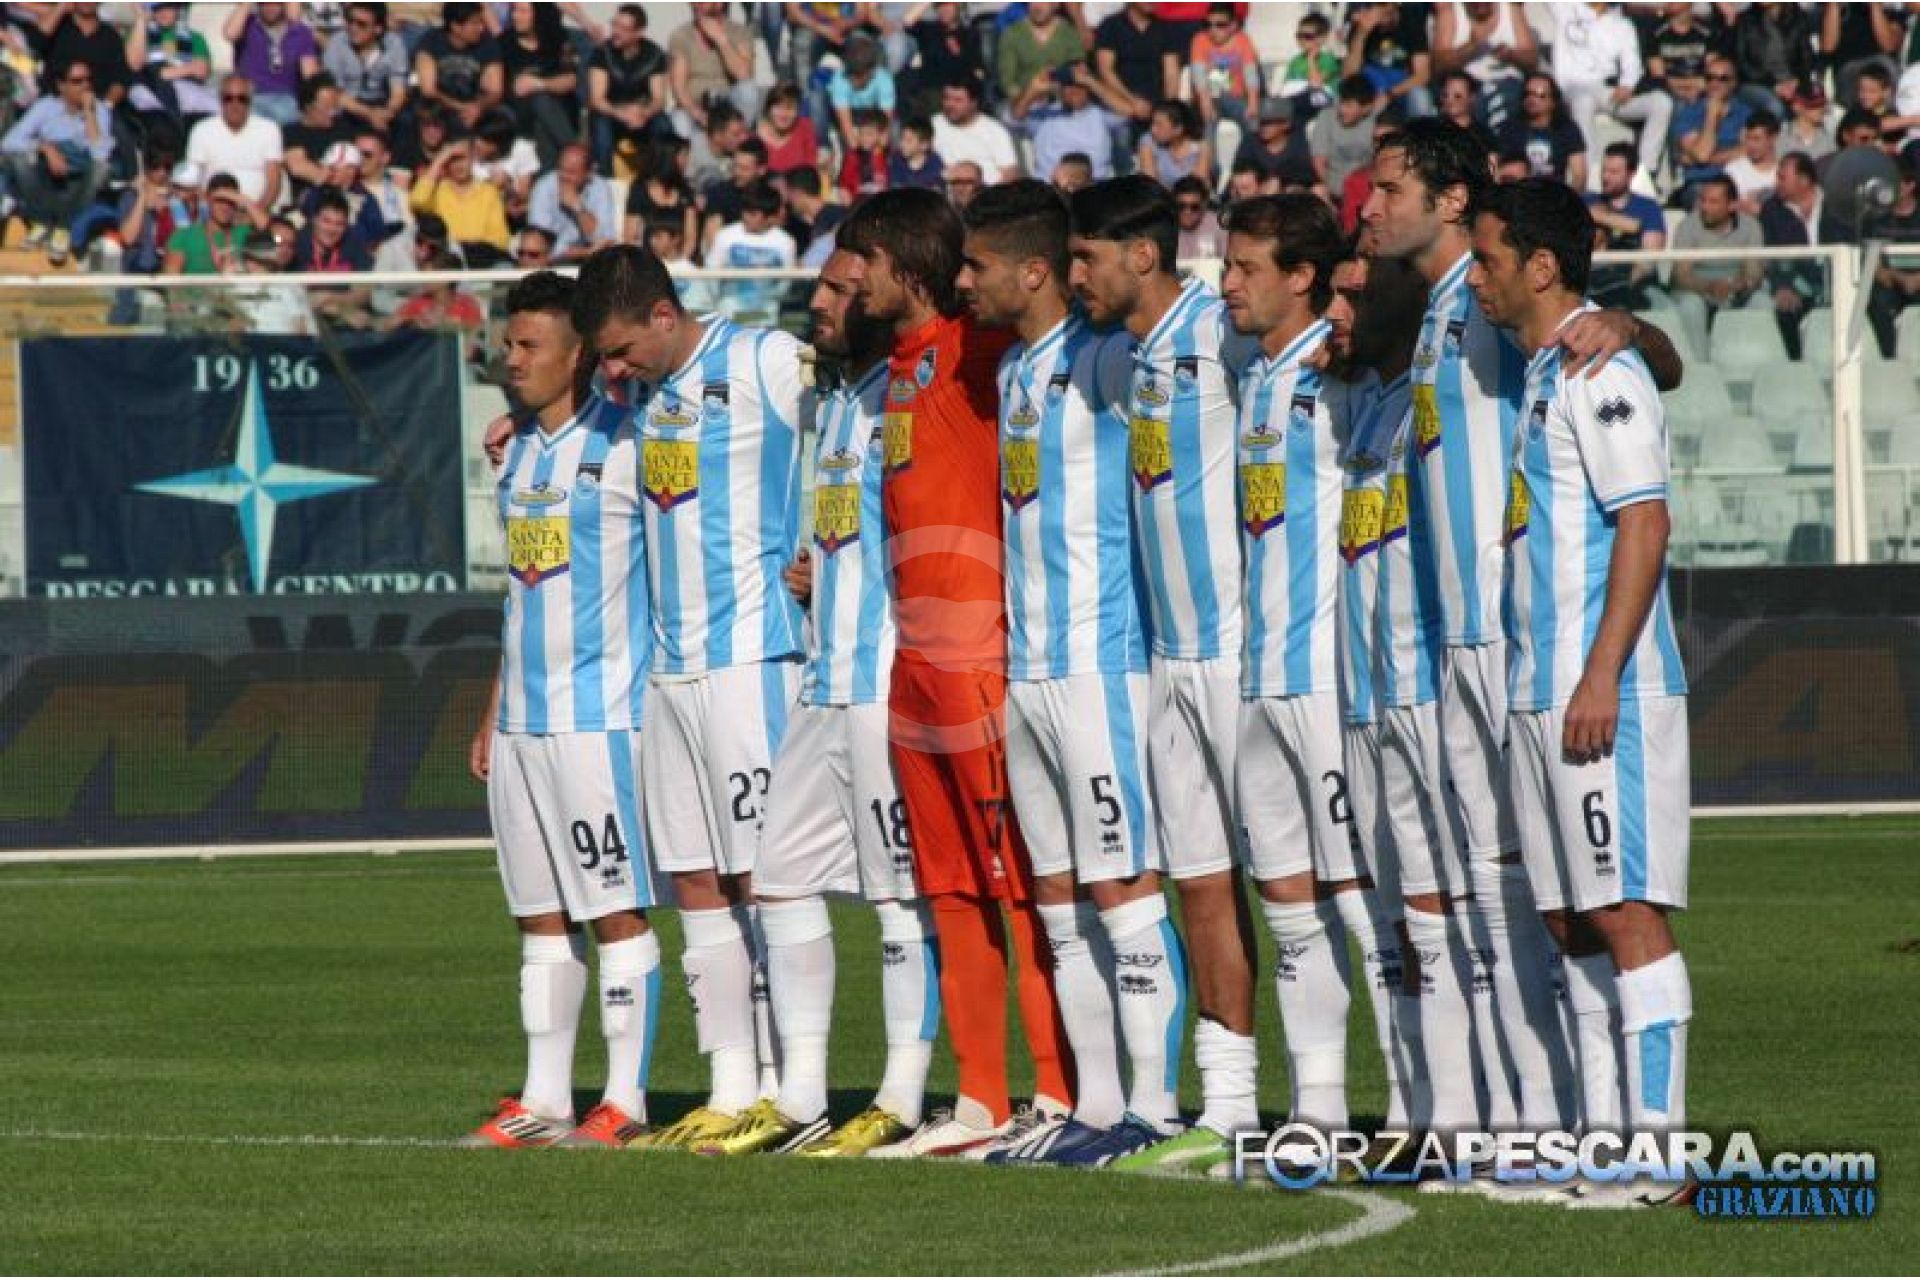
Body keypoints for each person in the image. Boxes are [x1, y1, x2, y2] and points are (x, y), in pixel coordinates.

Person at [1361, 119, 1683, 1140]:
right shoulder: (1438, 315)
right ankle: (1542, 1124)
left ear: (1454, 202)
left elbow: (1639, 366)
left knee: (1597, 902)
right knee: (1526, 897)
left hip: (1534, 648)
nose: (1369, 206)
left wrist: (1626, 324)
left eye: (1388, 188)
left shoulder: (1501, 304)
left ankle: (1627, 1133)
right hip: (1474, 650)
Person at [937, 178, 1184, 1167]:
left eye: (976, 266)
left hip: (1100, 665)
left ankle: (1157, 1109)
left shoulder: (1111, 355)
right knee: (1057, 896)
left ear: (1033, 271)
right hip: (1030, 670)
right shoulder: (1014, 370)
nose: (963, 283)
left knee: (1122, 885)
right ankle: (1097, 1105)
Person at [1465, 179, 1693, 1207]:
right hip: (1539, 690)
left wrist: (1600, 673)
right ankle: (1605, 1144)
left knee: (1626, 909)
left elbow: (1645, 522)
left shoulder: (1604, 370)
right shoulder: (1547, 372)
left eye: (1489, 258)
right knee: (1569, 917)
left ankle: (1662, 1155)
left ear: (1543, 266)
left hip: (1607, 689)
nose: (1478, 277)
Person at [836, 188, 1075, 1157]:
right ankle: (979, 1102)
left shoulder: (980, 348)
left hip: (982, 662)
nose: (851, 280)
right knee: (950, 891)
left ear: (907, 263)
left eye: (863, 261)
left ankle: (1057, 1094)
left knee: (1019, 887)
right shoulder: (894, 370)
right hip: (915, 669)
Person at [692, 246, 939, 1161]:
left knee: (898, 896)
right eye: (823, 285)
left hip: (883, 687)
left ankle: (900, 1097)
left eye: (841, 289)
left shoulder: (904, 399)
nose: (821, 301)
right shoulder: (834, 402)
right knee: (781, 877)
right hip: (820, 680)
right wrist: (820, 577)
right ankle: (799, 1097)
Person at [572, 245, 805, 1151]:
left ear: (665, 317)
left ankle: (790, 1087)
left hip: (752, 662)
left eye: (623, 349)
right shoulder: (638, 400)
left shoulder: (765, 360)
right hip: (669, 676)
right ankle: (731, 1083)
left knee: (764, 880)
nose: (614, 369)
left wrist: (829, 549)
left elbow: (854, 428)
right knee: (697, 882)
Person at [1064, 174, 1262, 1167]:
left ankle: (1399, 1107)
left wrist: (1623, 331)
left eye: (1086, 257)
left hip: (1244, 657)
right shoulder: (1118, 354)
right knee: (1202, 887)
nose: (1074, 275)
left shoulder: (1223, 333)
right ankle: (1228, 1110)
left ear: (1143, 255)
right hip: (1168, 664)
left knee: (1317, 896)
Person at [461, 270, 662, 1150]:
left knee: (615, 909)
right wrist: (492, 711)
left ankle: (625, 1100)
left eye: (529, 345)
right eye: (508, 344)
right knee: (538, 917)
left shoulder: (628, 445)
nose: (512, 360)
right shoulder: (516, 455)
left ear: (579, 354)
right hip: (522, 724)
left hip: (600, 721)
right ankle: (544, 1102)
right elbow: (521, 596)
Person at [1220, 192, 1405, 1144]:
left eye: (1245, 268)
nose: (1227, 284)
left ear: (1302, 278)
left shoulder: (1346, 381)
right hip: (1258, 676)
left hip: (1327, 677)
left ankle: (1418, 1107)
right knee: (1287, 902)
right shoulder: (1251, 373)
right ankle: (1319, 1110)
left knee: (1361, 902)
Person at [1325, 247, 1446, 1140]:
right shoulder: (1368, 404)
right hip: (1363, 698)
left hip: (1427, 691)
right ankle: (1415, 1110)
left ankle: (1485, 1118)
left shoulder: (1437, 399)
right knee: (1389, 915)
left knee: (1454, 913)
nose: (1337, 312)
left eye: (1353, 297)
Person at [1541, 2, 1670, 185]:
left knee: (1661, 102)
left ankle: (1645, 175)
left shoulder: (1621, 25)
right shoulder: (1566, 7)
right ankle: (1592, 177)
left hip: (1605, 89)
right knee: (1583, 102)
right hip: (1573, 88)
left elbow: (1632, 63)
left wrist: (1627, 85)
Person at [0, 57, 112, 263]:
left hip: (79, 179)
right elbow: (8, 143)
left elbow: (100, 155)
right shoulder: (46, 107)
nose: (85, 86)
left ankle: (63, 227)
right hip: (47, 177)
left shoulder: (99, 110)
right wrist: (44, 147)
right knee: (18, 160)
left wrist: (89, 113)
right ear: (61, 85)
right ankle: (42, 223)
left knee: (101, 168)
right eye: (77, 81)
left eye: (88, 80)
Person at [1759, 152, 1842, 360]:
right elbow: (1770, 254)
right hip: (1796, 282)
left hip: (1835, 280)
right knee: (1785, 309)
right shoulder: (1771, 210)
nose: (1777, 183)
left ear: (1804, 180)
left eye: (1782, 178)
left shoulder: (1837, 205)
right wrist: (1782, 286)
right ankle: (1796, 368)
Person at [1668, 174, 1763, 354]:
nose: (1705, 207)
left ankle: (1757, 358)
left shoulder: (1751, 227)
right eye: (1703, 200)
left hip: (1736, 290)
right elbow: (1681, 275)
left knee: (1762, 301)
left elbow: (1754, 273)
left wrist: (1737, 285)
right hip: (1696, 291)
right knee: (1691, 305)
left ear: (1732, 205)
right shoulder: (1687, 226)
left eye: (1713, 202)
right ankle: (1700, 362)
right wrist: (1710, 286)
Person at [588, 4, 673, 175]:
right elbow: (597, 99)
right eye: (614, 25)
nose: (616, 32)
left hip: (642, 114)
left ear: (639, 32)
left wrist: (644, 113)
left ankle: (662, 177)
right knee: (601, 127)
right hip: (611, 112)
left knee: (663, 125)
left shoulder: (654, 55)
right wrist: (620, 113)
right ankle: (606, 178)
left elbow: (659, 99)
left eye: (623, 28)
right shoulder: (602, 53)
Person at [1433, 2, 1539, 135]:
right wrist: (1471, 47)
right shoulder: (1450, 12)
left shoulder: (1511, 9)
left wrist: (1511, 55)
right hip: (1467, 84)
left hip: (1508, 83)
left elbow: (1532, 61)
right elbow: (1439, 66)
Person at [1586, 142, 1667, 307]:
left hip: (1637, 286)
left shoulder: (1647, 207)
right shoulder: (1587, 201)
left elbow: (1649, 258)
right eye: (1604, 170)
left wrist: (1599, 216)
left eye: (1614, 172)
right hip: (1592, 285)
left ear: (1632, 174)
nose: (1606, 177)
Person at [186, 75, 284, 208]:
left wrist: (256, 212)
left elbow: (274, 183)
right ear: (220, 100)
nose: (235, 104)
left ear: (250, 101)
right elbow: (193, 180)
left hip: (258, 211)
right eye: (228, 98)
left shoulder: (269, 129)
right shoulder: (201, 130)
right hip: (213, 212)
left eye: (242, 99)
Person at [409, 137, 510, 267]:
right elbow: (417, 201)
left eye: (462, 158)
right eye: (452, 159)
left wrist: (466, 250)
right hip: (444, 261)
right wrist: (440, 159)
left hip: (480, 260)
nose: (458, 165)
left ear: (472, 158)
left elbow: (500, 239)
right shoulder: (436, 190)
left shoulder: (488, 192)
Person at [502, 1, 580, 168]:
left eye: (523, 11)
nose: (515, 16)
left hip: (559, 111)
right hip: (520, 111)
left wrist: (539, 84)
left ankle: (552, 172)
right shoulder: (504, 43)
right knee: (540, 102)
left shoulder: (559, 39)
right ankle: (576, 157)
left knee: (542, 118)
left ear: (539, 14)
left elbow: (570, 80)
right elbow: (514, 88)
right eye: (514, 10)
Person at [1092, 1, 1178, 152]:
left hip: (1155, 105)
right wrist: (1133, 101)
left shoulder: (1166, 29)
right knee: (1121, 129)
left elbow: (1171, 73)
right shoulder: (1110, 26)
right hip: (1120, 102)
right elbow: (1105, 70)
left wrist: (1168, 109)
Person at [667, 3, 762, 139]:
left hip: (729, 105)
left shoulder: (739, 32)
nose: (696, 3)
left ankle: (738, 138)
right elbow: (679, 88)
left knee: (749, 90)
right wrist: (699, 115)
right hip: (695, 106)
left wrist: (721, 40)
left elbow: (744, 75)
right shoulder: (681, 35)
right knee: (679, 121)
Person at [707, 179, 796, 321]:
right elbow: (711, 272)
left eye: (753, 214)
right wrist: (720, 300)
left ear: (769, 217)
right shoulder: (725, 235)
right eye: (745, 211)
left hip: (766, 312)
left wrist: (773, 298)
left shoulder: (785, 242)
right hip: (729, 310)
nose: (746, 217)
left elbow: (786, 280)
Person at [222, 2, 320, 125]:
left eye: (276, 3)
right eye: (264, 3)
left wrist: (312, 104)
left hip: (285, 96)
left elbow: (310, 75)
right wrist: (246, 4)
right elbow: (229, 34)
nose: (270, 7)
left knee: (287, 115)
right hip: (251, 95)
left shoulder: (300, 31)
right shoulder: (248, 24)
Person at [415, 2, 506, 133]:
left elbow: (495, 91)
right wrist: (462, 107)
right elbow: (428, 90)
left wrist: (478, 107)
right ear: (456, 26)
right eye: (475, 23)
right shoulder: (431, 41)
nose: (481, 28)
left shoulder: (488, 43)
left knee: (503, 116)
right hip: (441, 104)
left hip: (476, 105)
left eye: (481, 22)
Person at [1672, 53, 1750, 203]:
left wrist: (1705, 159)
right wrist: (1711, 116)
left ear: (1734, 83)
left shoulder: (1745, 114)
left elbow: (1748, 151)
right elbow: (1702, 154)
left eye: (1723, 78)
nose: (1715, 83)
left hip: (1735, 182)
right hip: (1701, 182)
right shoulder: (1689, 114)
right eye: (1710, 78)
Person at [125, 2, 218, 125]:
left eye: (168, 7)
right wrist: (141, 20)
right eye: (157, 8)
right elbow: (134, 65)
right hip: (149, 90)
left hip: (184, 88)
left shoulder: (194, 37)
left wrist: (162, 72)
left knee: (219, 105)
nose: (163, 12)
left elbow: (202, 70)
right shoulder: (138, 34)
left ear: (178, 9)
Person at [325, 3, 409, 136]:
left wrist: (388, 111)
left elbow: (398, 91)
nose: (353, 28)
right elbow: (336, 93)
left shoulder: (393, 44)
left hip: (381, 103)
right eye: (350, 21)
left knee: (406, 122)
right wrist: (370, 114)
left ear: (378, 29)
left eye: (361, 24)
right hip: (348, 106)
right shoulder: (337, 42)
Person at [1342, 2, 1434, 121]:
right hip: (1371, 86)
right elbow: (1349, 76)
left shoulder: (1411, 21)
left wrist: (1389, 94)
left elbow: (1423, 75)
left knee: (1420, 96)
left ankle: (1423, 131)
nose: (1379, 10)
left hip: (1401, 87)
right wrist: (1361, 34)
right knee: (1350, 99)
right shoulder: (1361, 25)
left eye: (1383, 4)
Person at [162, 171, 267, 274]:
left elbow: (271, 232)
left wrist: (245, 201)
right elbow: (171, 279)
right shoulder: (184, 236)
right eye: (220, 200)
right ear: (208, 199)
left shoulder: (245, 233)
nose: (225, 207)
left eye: (231, 201)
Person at [1188, 2, 1261, 149]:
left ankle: (1249, 159)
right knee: (1208, 122)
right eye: (1208, 24)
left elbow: (1250, 72)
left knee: (1253, 122)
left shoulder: (1243, 40)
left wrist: (1253, 102)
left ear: (1233, 25)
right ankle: (1211, 162)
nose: (1213, 30)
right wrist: (1205, 100)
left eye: (1220, 25)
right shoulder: (1200, 40)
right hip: (1208, 96)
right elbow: (1198, 73)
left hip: (1235, 98)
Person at [528, 143, 615, 263]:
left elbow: (605, 239)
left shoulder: (600, 187)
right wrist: (584, 252)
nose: (564, 177)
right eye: (561, 169)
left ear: (589, 173)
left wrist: (578, 207)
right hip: (551, 262)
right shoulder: (544, 187)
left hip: (590, 261)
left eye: (571, 172)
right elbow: (538, 241)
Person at [1500, 73, 1587, 189]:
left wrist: (1568, 199)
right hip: (1518, 192)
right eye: (1527, 94)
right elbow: (1500, 168)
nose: (1531, 99)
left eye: (1539, 95)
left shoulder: (1567, 129)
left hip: (1554, 193)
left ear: (1553, 101)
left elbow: (1579, 175)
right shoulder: (1510, 128)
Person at [1311, 76, 1381, 215]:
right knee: (1317, 192)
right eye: (1341, 103)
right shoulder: (1326, 117)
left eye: (1349, 105)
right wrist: (1330, 191)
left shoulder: (1377, 122)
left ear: (1366, 108)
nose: (1342, 110)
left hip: (1362, 190)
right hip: (1332, 190)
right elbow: (1319, 161)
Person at [933, 77, 1020, 185]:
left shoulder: (994, 131)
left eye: (957, 100)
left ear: (974, 103)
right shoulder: (933, 125)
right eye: (946, 98)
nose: (950, 105)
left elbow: (1010, 172)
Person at [621, 137, 698, 255]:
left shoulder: (686, 191)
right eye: (683, 156)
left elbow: (690, 238)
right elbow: (630, 237)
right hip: (646, 258)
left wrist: (679, 261)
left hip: (677, 258)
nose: (686, 161)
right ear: (669, 158)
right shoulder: (639, 190)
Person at [280, 73, 350, 199]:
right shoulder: (292, 132)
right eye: (327, 107)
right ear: (308, 107)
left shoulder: (343, 129)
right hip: (310, 197)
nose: (333, 112)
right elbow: (298, 166)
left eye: (335, 107)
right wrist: (333, 178)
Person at [827, 32, 897, 148]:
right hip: (849, 113)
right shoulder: (840, 79)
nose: (853, 80)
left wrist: (877, 146)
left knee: (894, 130)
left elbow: (884, 126)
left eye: (858, 76)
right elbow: (848, 130)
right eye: (851, 75)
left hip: (873, 114)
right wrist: (857, 146)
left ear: (871, 72)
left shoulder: (884, 80)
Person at [1233, 97, 1316, 194]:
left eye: (1268, 123)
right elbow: (1240, 169)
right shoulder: (1250, 140)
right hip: (1256, 195)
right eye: (1261, 122)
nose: (1263, 127)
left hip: (1288, 193)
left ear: (1286, 124)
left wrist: (1280, 180)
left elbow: (1306, 172)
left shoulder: (1297, 141)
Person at [1136, 99, 1210, 189]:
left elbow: (1199, 185)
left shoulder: (1200, 148)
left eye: (1159, 125)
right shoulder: (1148, 143)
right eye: (1153, 123)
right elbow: (1150, 184)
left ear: (1178, 129)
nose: (1153, 129)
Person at [758, 81, 820, 178]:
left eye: (789, 108)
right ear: (769, 109)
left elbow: (811, 166)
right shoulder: (755, 138)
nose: (783, 114)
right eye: (778, 107)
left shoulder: (805, 128)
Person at [1724, 110, 1781, 214]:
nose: (1751, 145)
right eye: (1748, 138)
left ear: (1773, 138)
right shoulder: (1733, 170)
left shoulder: (1784, 171)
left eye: (1756, 139)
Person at [837, 106, 891, 201]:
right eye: (862, 133)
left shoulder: (889, 159)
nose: (864, 138)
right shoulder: (852, 157)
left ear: (881, 135)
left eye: (869, 134)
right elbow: (844, 186)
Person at [1171, 176, 1222, 260]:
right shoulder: (1166, 226)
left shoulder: (1219, 225)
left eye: (1194, 207)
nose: (1187, 212)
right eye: (1181, 206)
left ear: (1204, 205)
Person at [889, 115, 944, 190]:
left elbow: (938, 188)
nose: (902, 144)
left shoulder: (934, 163)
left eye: (909, 141)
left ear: (924, 145)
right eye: (902, 138)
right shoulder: (897, 160)